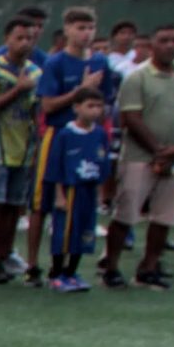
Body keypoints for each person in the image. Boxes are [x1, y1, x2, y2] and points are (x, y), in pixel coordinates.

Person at [103, 23, 174, 290]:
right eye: (164, 40)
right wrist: (158, 150)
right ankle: (111, 267)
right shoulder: (137, 77)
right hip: (139, 156)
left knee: (164, 218)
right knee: (125, 215)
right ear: (151, 45)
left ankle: (148, 267)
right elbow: (130, 118)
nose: (171, 45)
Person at [0, 13, 43, 283]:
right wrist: (18, 89)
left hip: (23, 149)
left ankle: (3, 255)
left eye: (30, 38)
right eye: (20, 38)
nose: (25, 43)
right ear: (7, 40)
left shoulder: (37, 72)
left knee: (14, 207)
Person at [41, 89, 112, 292]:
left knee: (84, 232)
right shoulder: (65, 134)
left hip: (88, 190)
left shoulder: (99, 134)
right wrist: (59, 195)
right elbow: (54, 165)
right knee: (64, 233)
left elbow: (103, 162)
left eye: (99, 106)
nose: (95, 111)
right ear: (76, 107)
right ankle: (56, 273)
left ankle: (72, 272)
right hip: (70, 190)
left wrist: (99, 192)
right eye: (90, 106)